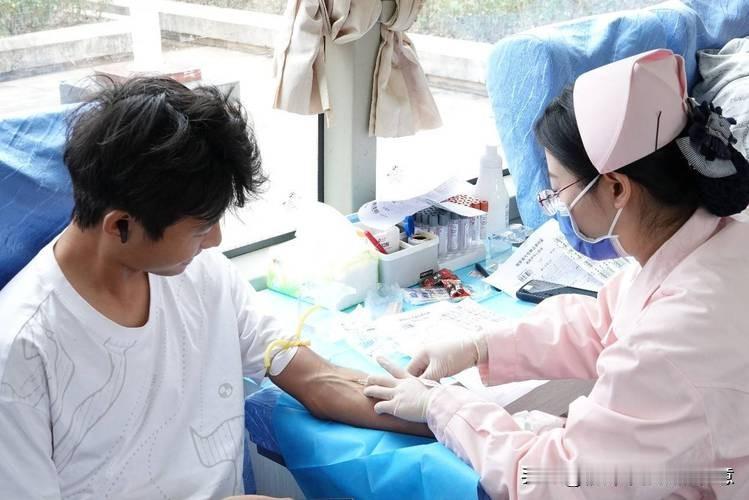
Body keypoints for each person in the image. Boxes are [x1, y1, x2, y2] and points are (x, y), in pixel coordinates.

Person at [0, 77, 428, 499]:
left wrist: (446, 412)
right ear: (120, 226)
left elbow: (319, 380)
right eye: (201, 228)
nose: (216, 241)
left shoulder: (202, 275)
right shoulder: (20, 353)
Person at [364, 48, 749, 499]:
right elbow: (605, 324)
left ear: (616, 187)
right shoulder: (715, 242)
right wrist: (481, 347)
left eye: (557, 186)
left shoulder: (670, 343)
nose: (557, 203)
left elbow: (553, 482)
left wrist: (442, 405)